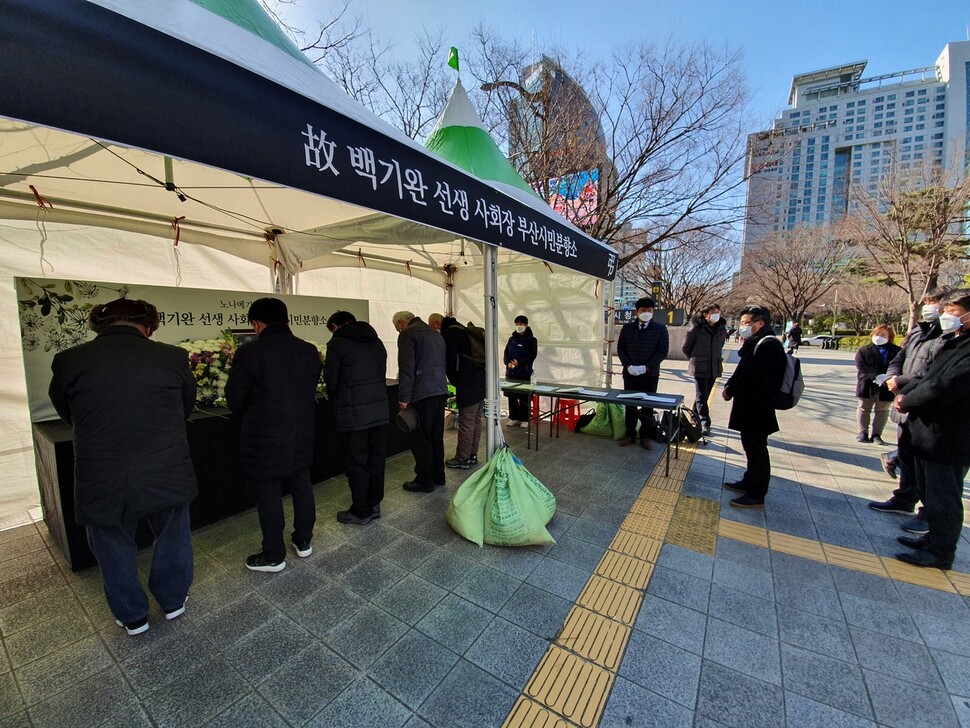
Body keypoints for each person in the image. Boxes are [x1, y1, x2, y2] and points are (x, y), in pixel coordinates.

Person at [49, 298, 197, 636]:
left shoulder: (69, 360)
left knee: (110, 540)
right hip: (165, 464)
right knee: (173, 533)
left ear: (99, 325)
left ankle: (133, 617)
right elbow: (184, 407)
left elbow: (67, 412)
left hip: (101, 468)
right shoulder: (172, 357)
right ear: (148, 327)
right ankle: (173, 601)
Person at [226, 297, 322, 573]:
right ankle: (303, 541)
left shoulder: (251, 353)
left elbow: (235, 399)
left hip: (264, 434)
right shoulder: (308, 350)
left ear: (256, 323)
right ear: (287, 319)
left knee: (268, 491)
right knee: (301, 483)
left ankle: (273, 555)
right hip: (301, 430)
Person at [892, 289, 970, 570]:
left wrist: (908, 400)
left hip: (948, 436)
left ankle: (941, 552)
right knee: (929, 492)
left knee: (944, 498)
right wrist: (905, 394)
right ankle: (931, 538)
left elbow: (945, 386)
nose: (947, 316)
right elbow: (927, 376)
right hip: (926, 433)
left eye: (954, 312)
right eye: (946, 310)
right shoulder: (953, 341)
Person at [868, 291, 945, 532]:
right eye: (928, 304)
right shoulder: (919, 332)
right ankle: (904, 497)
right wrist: (892, 377)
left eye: (935, 305)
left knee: (929, 469)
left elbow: (934, 373)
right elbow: (898, 358)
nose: (929, 309)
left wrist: (900, 383)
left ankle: (927, 514)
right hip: (905, 401)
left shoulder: (948, 337)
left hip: (925, 406)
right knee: (907, 455)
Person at [325, 310, 388, 525]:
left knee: (357, 462)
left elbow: (331, 382)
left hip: (354, 415)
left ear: (338, 325)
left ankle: (360, 511)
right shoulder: (377, 341)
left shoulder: (337, 344)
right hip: (379, 411)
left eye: (332, 329)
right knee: (376, 459)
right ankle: (374, 505)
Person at [721, 305, 787, 508]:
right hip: (750, 405)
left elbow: (751, 376)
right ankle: (749, 480)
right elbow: (743, 370)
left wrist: (730, 390)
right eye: (742, 323)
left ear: (760, 323)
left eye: (747, 323)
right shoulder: (756, 342)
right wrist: (730, 385)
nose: (743, 327)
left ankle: (757, 493)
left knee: (757, 449)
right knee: (750, 446)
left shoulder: (768, 345)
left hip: (757, 407)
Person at [393, 310, 448, 492]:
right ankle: (439, 475)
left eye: (397, 328)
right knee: (435, 436)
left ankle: (424, 480)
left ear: (402, 323)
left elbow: (406, 368)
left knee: (420, 438)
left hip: (422, 393)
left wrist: (404, 397)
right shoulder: (434, 333)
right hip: (439, 390)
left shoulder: (408, 334)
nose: (398, 331)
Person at [616, 297, 669, 449]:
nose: (647, 313)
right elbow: (621, 349)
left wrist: (647, 367)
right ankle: (630, 434)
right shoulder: (627, 329)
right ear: (637, 312)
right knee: (630, 405)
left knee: (648, 406)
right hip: (630, 374)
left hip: (650, 375)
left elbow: (662, 351)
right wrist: (628, 366)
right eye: (643, 310)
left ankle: (645, 435)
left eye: (649, 310)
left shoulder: (660, 329)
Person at [441, 316, 486, 469]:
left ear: (438, 324)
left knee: (467, 421)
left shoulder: (450, 334)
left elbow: (450, 362)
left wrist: (454, 381)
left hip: (467, 383)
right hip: (480, 381)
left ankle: (462, 458)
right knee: (476, 420)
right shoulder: (466, 332)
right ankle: (472, 455)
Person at [681, 304, 727, 435]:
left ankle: (694, 415)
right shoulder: (696, 329)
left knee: (704, 396)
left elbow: (720, 346)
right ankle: (705, 423)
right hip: (700, 367)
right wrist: (694, 359)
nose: (716, 315)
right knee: (701, 396)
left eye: (718, 312)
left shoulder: (721, 329)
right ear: (705, 314)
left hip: (714, 367)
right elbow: (685, 347)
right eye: (713, 312)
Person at [854, 325, 901, 445]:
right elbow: (861, 365)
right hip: (867, 383)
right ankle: (862, 432)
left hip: (887, 384)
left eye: (883, 335)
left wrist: (888, 377)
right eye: (876, 334)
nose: (879, 337)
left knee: (882, 410)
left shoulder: (897, 351)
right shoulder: (864, 350)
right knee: (864, 408)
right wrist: (876, 375)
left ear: (889, 337)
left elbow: (898, 365)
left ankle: (877, 434)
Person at [504, 315, 538, 428]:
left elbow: (532, 355)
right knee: (512, 397)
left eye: (521, 324)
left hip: (524, 373)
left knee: (524, 397)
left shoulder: (532, 340)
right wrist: (508, 362)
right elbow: (506, 353)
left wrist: (519, 362)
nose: (519, 326)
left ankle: (525, 419)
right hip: (511, 373)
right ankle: (513, 417)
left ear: (526, 325)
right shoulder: (511, 339)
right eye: (517, 324)